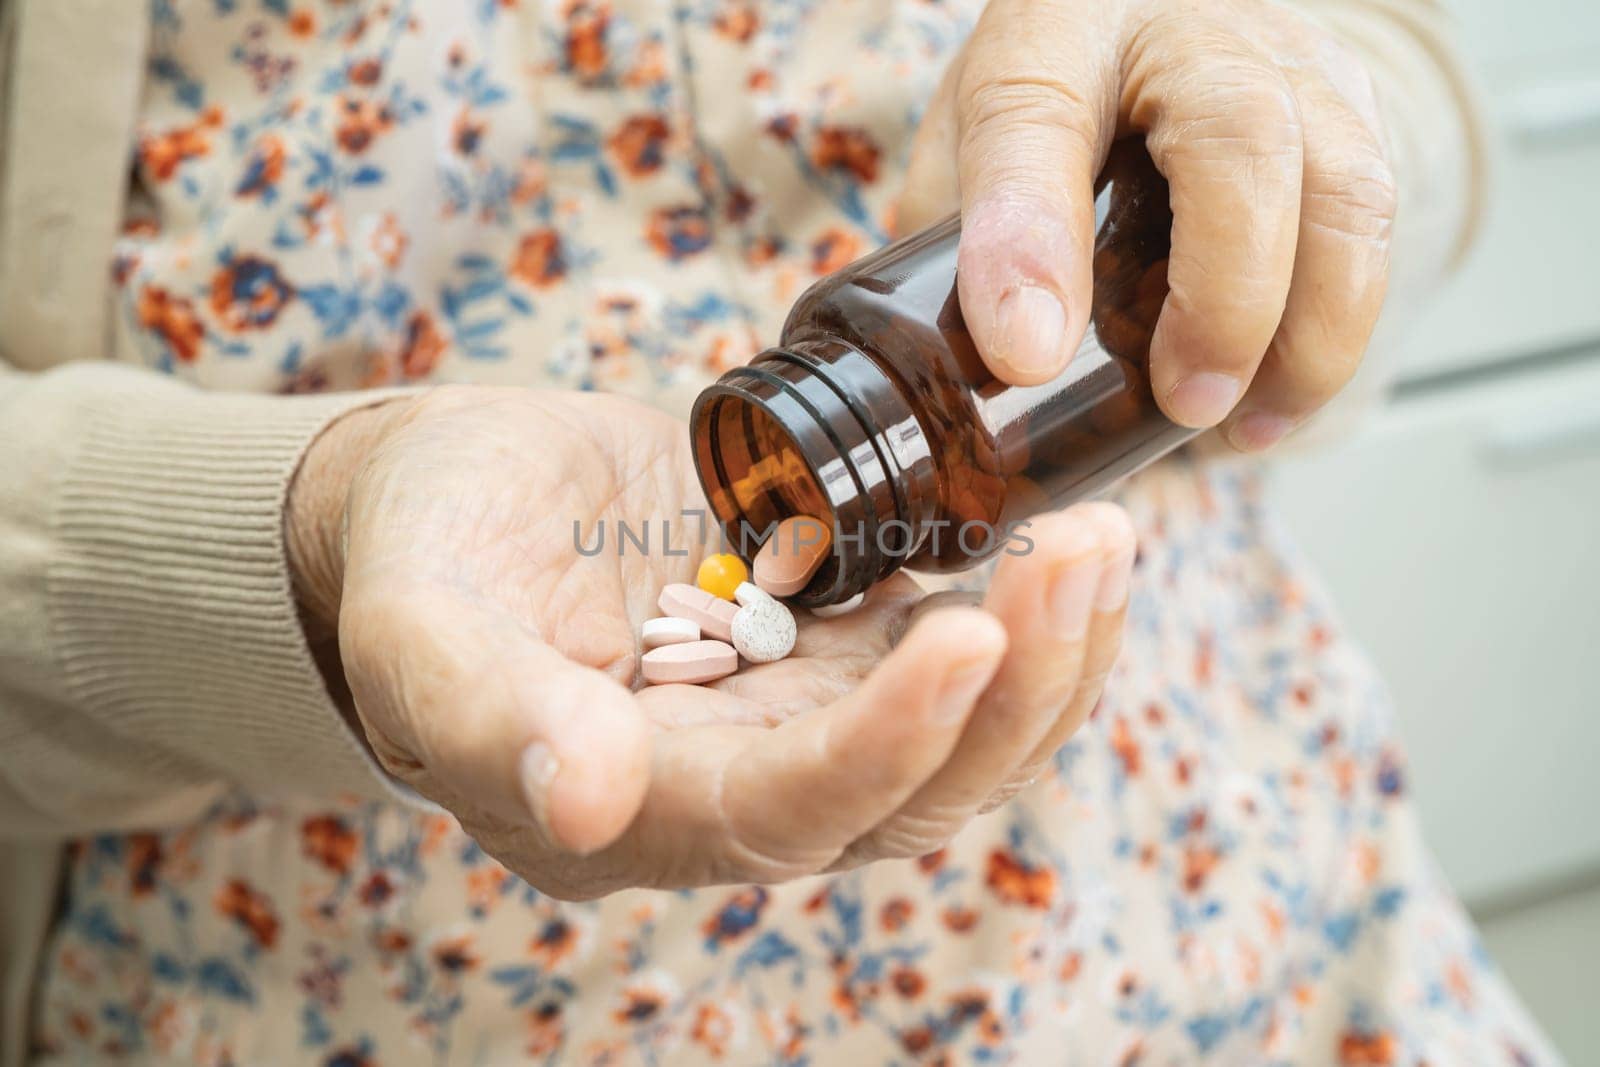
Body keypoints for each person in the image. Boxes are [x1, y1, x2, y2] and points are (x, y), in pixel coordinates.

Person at [0, 0, 1557, 1062]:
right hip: (335, 979)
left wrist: (1298, 127)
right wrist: (317, 527)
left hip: (1254, 932)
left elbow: (1394, 67)